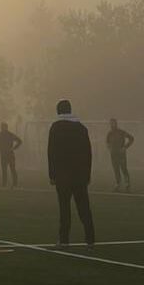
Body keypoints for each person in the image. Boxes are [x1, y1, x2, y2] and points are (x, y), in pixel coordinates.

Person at [48, 99, 95, 249]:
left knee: (64, 208)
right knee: (84, 207)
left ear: (58, 111)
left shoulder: (56, 127)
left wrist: (52, 174)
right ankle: (90, 238)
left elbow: (51, 153)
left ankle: (64, 239)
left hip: (63, 175)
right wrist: (87, 175)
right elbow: (88, 153)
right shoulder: (81, 128)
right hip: (80, 175)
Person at [106, 118, 135, 192]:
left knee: (123, 168)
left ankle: (127, 184)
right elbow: (107, 142)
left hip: (121, 154)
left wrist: (125, 147)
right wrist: (109, 148)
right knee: (116, 169)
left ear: (116, 123)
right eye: (111, 123)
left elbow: (131, 138)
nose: (112, 124)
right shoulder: (109, 133)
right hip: (113, 154)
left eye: (113, 123)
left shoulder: (121, 132)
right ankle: (118, 184)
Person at [0, 122, 23, 188]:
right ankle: (4, 184)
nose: (2, 128)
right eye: (1, 127)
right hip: (3, 155)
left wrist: (14, 148)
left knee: (12, 169)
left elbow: (19, 141)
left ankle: (14, 184)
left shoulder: (10, 134)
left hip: (10, 154)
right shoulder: (0, 134)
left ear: (6, 127)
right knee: (4, 170)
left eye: (3, 127)